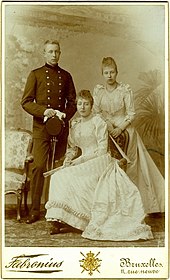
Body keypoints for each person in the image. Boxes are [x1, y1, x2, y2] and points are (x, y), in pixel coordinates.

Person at [45, 90, 153, 241]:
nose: (82, 107)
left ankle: (82, 220)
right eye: (80, 104)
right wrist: (68, 159)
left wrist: (81, 161)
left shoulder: (98, 122)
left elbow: (102, 150)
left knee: (73, 178)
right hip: (81, 161)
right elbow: (73, 148)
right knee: (58, 176)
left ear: (91, 106)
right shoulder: (74, 124)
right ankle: (59, 219)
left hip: (99, 161)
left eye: (86, 104)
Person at [92, 57, 165, 214]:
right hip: (106, 129)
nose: (109, 76)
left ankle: (131, 206)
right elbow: (96, 112)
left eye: (112, 72)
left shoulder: (124, 90)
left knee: (129, 165)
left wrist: (120, 128)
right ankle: (111, 205)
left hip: (126, 130)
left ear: (117, 72)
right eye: (106, 73)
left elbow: (131, 113)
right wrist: (109, 126)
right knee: (108, 165)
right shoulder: (99, 91)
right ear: (102, 74)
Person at [21, 40, 76, 224]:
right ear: (44, 53)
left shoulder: (66, 76)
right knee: (39, 166)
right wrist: (44, 111)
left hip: (60, 128)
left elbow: (73, 103)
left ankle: (55, 210)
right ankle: (35, 210)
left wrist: (63, 115)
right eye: (50, 52)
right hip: (41, 128)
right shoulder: (35, 75)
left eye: (57, 52)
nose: (54, 55)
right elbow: (26, 102)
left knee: (58, 168)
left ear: (60, 54)